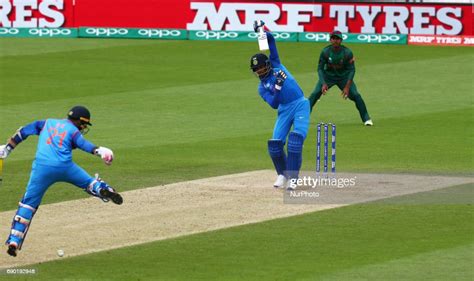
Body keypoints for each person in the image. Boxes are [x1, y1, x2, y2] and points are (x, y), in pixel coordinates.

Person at [0, 106, 123, 257]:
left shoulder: (46, 123)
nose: (84, 127)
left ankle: (14, 240)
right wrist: (99, 151)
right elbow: (84, 145)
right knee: (88, 182)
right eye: (84, 124)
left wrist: (8, 148)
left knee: (28, 203)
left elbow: (23, 131)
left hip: (42, 168)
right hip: (65, 167)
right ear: (79, 121)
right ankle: (102, 190)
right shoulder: (73, 131)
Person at [250, 21, 310, 190]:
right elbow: (274, 105)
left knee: (295, 141)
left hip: (300, 104)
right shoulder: (262, 88)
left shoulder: (275, 63)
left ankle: (293, 178)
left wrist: (261, 32)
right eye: (257, 70)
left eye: (262, 68)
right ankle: (282, 174)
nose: (260, 72)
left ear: (268, 65)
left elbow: (271, 40)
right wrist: (276, 88)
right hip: (283, 109)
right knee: (275, 145)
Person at [308, 30, 373, 126]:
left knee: (356, 95)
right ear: (330, 40)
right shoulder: (325, 52)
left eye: (337, 38)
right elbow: (320, 69)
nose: (335, 40)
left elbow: (352, 70)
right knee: (314, 94)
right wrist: (323, 83)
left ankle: (366, 119)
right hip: (328, 77)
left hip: (344, 77)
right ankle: (302, 117)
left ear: (341, 40)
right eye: (333, 38)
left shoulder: (347, 53)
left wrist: (347, 87)